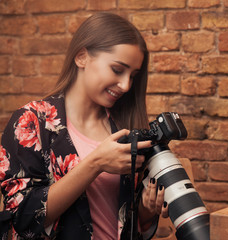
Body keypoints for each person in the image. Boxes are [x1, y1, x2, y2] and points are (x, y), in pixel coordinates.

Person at [0, 12, 168, 239]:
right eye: (118, 70)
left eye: (133, 75)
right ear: (81, 57)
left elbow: (123, 222)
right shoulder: (30, 122)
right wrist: (96, 163)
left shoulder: (123, 128)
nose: (126, 85)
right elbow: (23, 218)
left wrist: (146, 213)